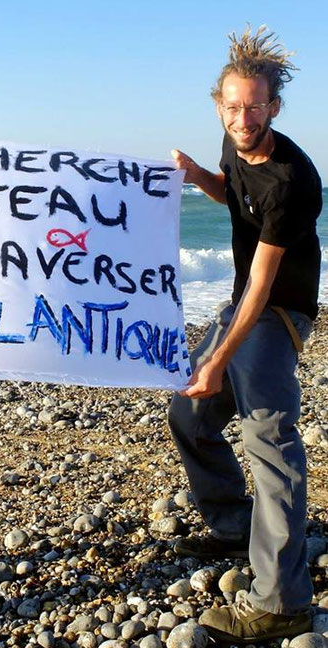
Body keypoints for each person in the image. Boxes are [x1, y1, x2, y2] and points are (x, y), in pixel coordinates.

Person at [167, 26, 322, 642]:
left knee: (269, 437)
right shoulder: (233, 141)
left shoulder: (292, 178)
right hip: (241, 302)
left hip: (279, 308)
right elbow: (233, 196)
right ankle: (234, 522)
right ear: (219, 104)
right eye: (232, 106)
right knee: (190, 415)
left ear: (274, 107)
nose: (242, 116)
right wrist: (194, 173)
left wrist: (218, 358)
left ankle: (281, 599)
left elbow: (261, 285)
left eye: (254, 106)